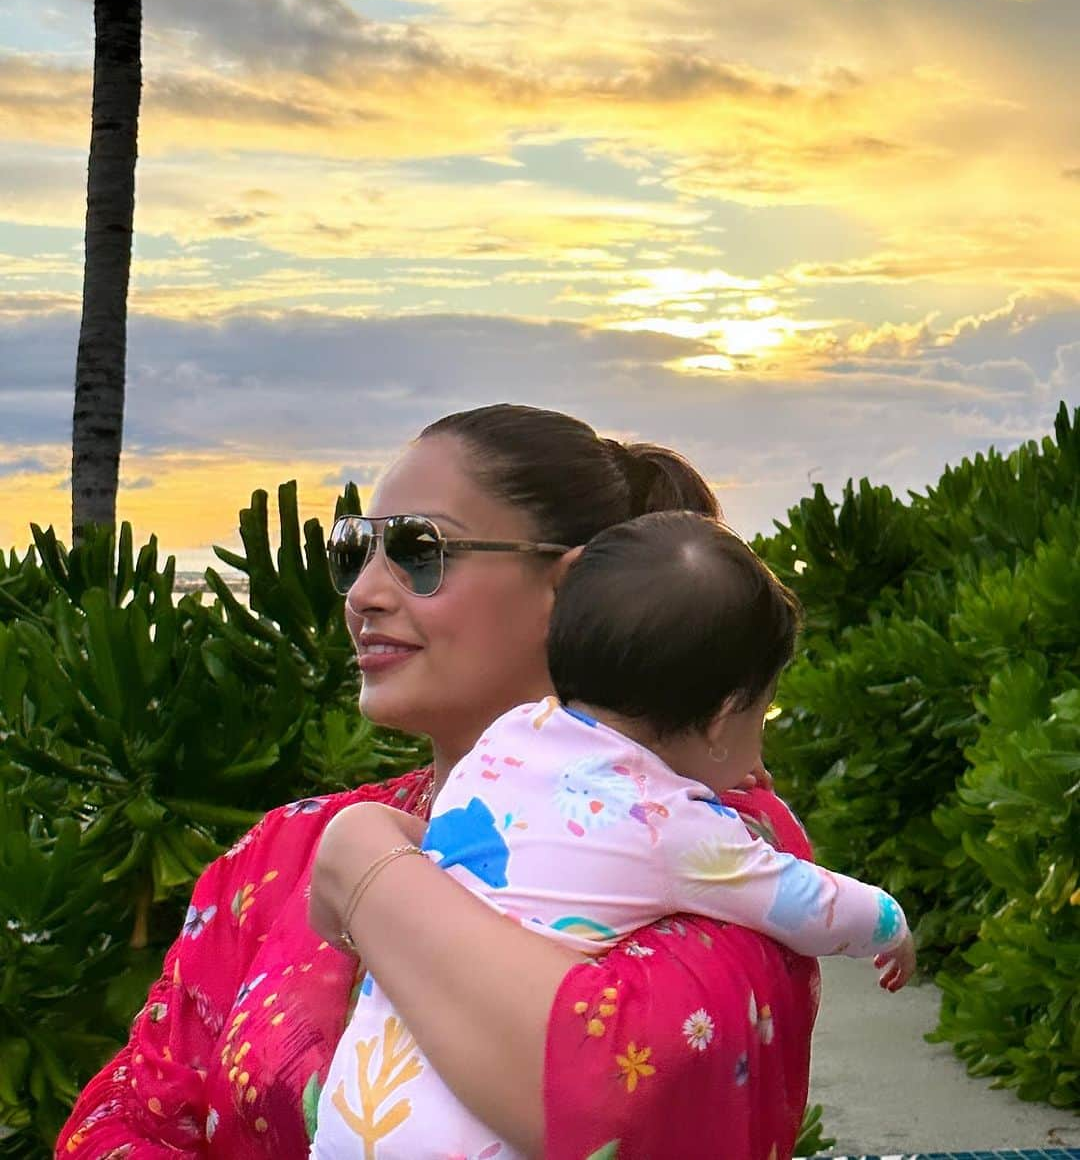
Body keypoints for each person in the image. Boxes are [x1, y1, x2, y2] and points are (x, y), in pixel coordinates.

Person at [56, 405, 821, 1160]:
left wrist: (370, 873)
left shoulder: (718, 842)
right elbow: (127, 1119)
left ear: (575, 589)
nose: (364, 595)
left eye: (420, 552)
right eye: (357, 551)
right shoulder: (285, 850)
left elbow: (605, 1107)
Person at [312, 511, 915, 1160]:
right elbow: (805, 901)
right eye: (759, 714)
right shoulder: (669, 823)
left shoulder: (508, 740)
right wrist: (887, 925)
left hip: (361, 1114)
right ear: (720, 719)